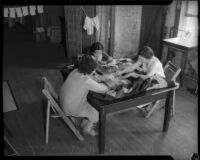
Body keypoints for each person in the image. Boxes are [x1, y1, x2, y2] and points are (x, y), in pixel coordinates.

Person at [59, 55, 109, 136]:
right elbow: (103, 89)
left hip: (62, 101)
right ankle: (87, 129)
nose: (94, 71)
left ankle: (85, 123)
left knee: (91, 104)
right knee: (98, 111)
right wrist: (109, 84)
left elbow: (91, 79)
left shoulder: (75, 71)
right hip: (70, 108)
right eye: (93, 70)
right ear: (90, 70)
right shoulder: (86, 81)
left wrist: (97, 79)